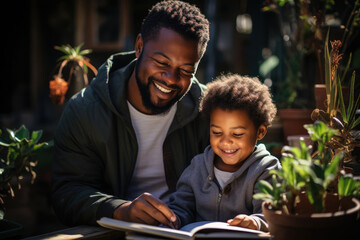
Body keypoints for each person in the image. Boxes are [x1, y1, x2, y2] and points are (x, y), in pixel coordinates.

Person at [51, 0, 210, 227]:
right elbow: (67, 192)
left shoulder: (208, 109)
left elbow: (253, 161)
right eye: (161, 62)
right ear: (139, 47)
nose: (171, 78)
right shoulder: (84, 110)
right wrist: (119, 210)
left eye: (185, 70)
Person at [167, 73, 281, 232]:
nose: (226, 142)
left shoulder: (265, 169)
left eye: (237, 134)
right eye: (217, 133)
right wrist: (173, 219)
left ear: (260, 132)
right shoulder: (198, 166)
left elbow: (271, 213)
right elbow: (181, 206)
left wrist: (255, 222)